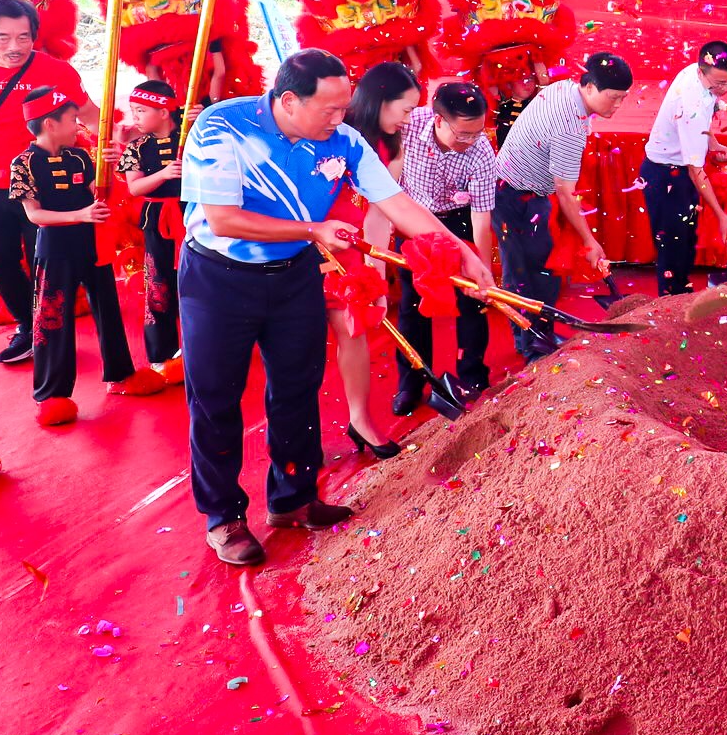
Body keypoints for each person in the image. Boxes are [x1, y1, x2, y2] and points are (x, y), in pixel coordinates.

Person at [180, 48, 492, 567]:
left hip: (293, 273)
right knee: (215, 396)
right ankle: (224, 517)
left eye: (344, 106)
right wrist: (313, 229)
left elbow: (397, 202)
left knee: (297, 386)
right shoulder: (222, 126)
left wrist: (463, 254)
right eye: (329, 108)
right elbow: (223, 218)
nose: (340, 118)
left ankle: (293, 498)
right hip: (219, 276)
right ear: (288, 101)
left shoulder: (344, 140)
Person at [0, 0, 94, 365]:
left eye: (24, 37)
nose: (15, 46)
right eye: (4, 37)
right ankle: (28, 328)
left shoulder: (55, 70)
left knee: (46, 264)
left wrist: (127, 133)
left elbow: (90, 114)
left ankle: (52, 334)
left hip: (45, 185)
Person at [11, 89, 160, 427]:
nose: (77, 125)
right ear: (50, 124)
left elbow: (102, 193)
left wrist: (111, 165)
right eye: (71, 119)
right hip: (55, 249)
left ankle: (120, 374)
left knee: (108, 309)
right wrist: (79, 214)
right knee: (52, 319)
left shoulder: (80, 157)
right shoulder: (23, 164)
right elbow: (35, 215)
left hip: (93, 243)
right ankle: (52, 394)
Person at [496, 52, 631, 360]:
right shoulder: (570, 127)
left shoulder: (565, 88)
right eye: (613, 97)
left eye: (623, 98)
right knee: (523, 275)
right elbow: (566, 193)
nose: (618, 105)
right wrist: (589, 240)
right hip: (511, 196)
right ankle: (531, 347)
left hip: (529, 191)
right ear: (590, 87)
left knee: (542, 272)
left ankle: (539, 336)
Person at [394, 80, 502, 408]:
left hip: (459, 221)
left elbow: (481, 217)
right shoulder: (409, 125)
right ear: (439, 120)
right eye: (464, 134)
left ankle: (472, 376)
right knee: (412, 305)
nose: (472, 141)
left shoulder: (482, 152)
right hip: (412, 221)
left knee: (470, 303)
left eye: (478, 132)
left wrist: (481, 269)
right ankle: (412, 382)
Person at [337, 62, 420, 450]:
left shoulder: (391, 146)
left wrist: (376, 276)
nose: (408, 120)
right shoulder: (333, 131)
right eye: (405, 110)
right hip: (305, 245)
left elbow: (380, 214)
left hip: (352, 250)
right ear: (381, 100)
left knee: (353, 332)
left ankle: (360, 419)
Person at [640, 42, 727, 295]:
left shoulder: (699, 76)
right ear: (700, 71)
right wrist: (720, 215)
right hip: (666, 176)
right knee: (672, 255)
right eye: (719, 83)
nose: (725, 89)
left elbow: (705, 118)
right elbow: (696, 171)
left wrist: (713, 143)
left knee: (686, 245)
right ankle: (669, 307)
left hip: (680, 172)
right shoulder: (690, 102)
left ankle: (681, 300)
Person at [117, 80, 187, 384]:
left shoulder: (191, 136)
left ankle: (207, 346)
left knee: (201, 280)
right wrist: (164, 174)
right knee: (159, 284)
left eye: (141, 111)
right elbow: (134, 188)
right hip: (158, 219)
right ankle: (162, 354)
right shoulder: (137, 148)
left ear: (163, 111)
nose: (135, 117)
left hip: (193, 214)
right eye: (133, 110)